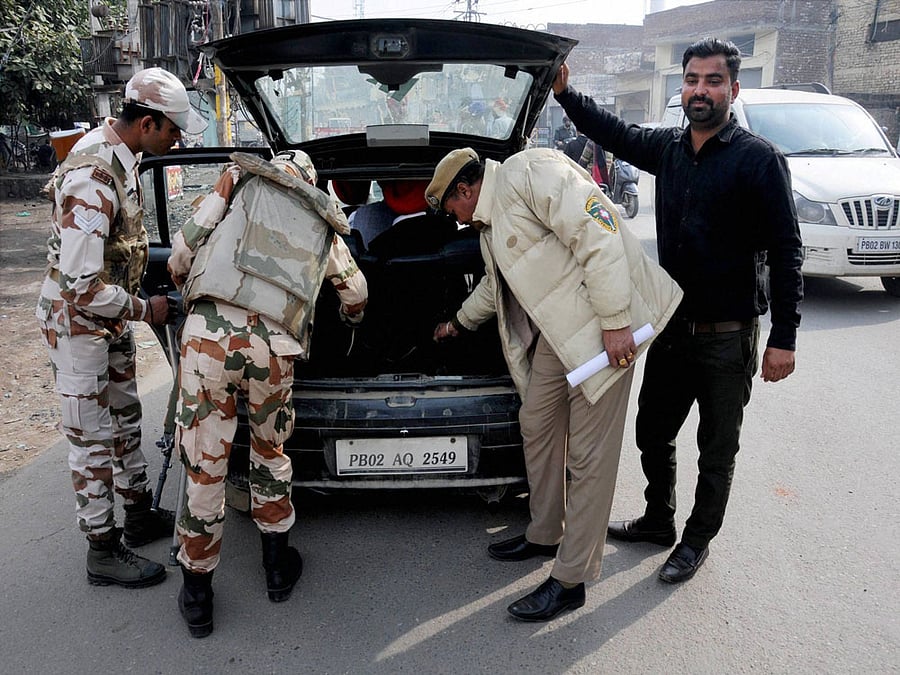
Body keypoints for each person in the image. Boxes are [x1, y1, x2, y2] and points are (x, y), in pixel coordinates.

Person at [553, 38, 803, 584]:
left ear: (733, 90)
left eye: (713, 81)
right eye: (691, 80)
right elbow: (614, 133)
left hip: (727, 335)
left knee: (716, 449)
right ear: (681, 88)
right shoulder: (668, 149)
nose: (700, 90)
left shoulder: (758, 160)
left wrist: (784, 336)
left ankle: (696, 539)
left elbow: (787, 250)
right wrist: (567, 93)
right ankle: (658, 519)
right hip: (670, 328)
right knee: (651, 432)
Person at [425, 147, 682, 621]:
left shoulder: (531, 172)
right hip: (559, 336)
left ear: (464, 190)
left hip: (606, 331)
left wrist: (615, 319)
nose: (454, 220)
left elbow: (598, 233)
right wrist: (457, 324)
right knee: (536, 422)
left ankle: (572, 579)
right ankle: (546, 531)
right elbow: (494, 285)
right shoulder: (488, 224)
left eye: (450, 209)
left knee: (588, 458)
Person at [167, 150, 368, 638]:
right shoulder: (318, 218)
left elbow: (179, 254)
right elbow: (356, 295)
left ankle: (197, 594)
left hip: (207, 339)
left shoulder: (231, 193)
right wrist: (351, 322)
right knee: (269, 450)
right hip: (273, 344)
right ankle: (277, 567)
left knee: (205, 464)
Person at [35, 67, 206, 589]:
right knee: (91, 439)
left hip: (106, 318)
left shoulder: (122, 156)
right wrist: (144, 309)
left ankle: (136, 514)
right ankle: (102, 550)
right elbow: (81, 284)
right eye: (173, 131)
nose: (176, 141)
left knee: (126, 418)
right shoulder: (95, 178)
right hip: (80, 321)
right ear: (148, 122)